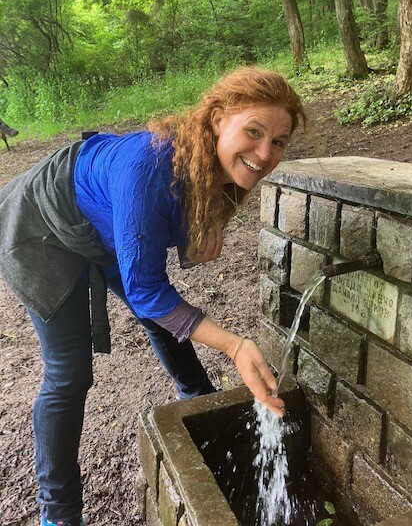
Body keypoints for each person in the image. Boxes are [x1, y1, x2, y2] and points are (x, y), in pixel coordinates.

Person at [0, 66, 306, 526]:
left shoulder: (210, 160)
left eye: (278, 142)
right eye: (255, 132)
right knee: (69, 374)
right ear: (218, 118)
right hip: (42, 226)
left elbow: (167, 247)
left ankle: (196, 398)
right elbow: (147, 290)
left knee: (160, 314)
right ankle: (57, 513)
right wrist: (235, 345)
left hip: (99, 222)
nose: (265, 153)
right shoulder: (150, 167)